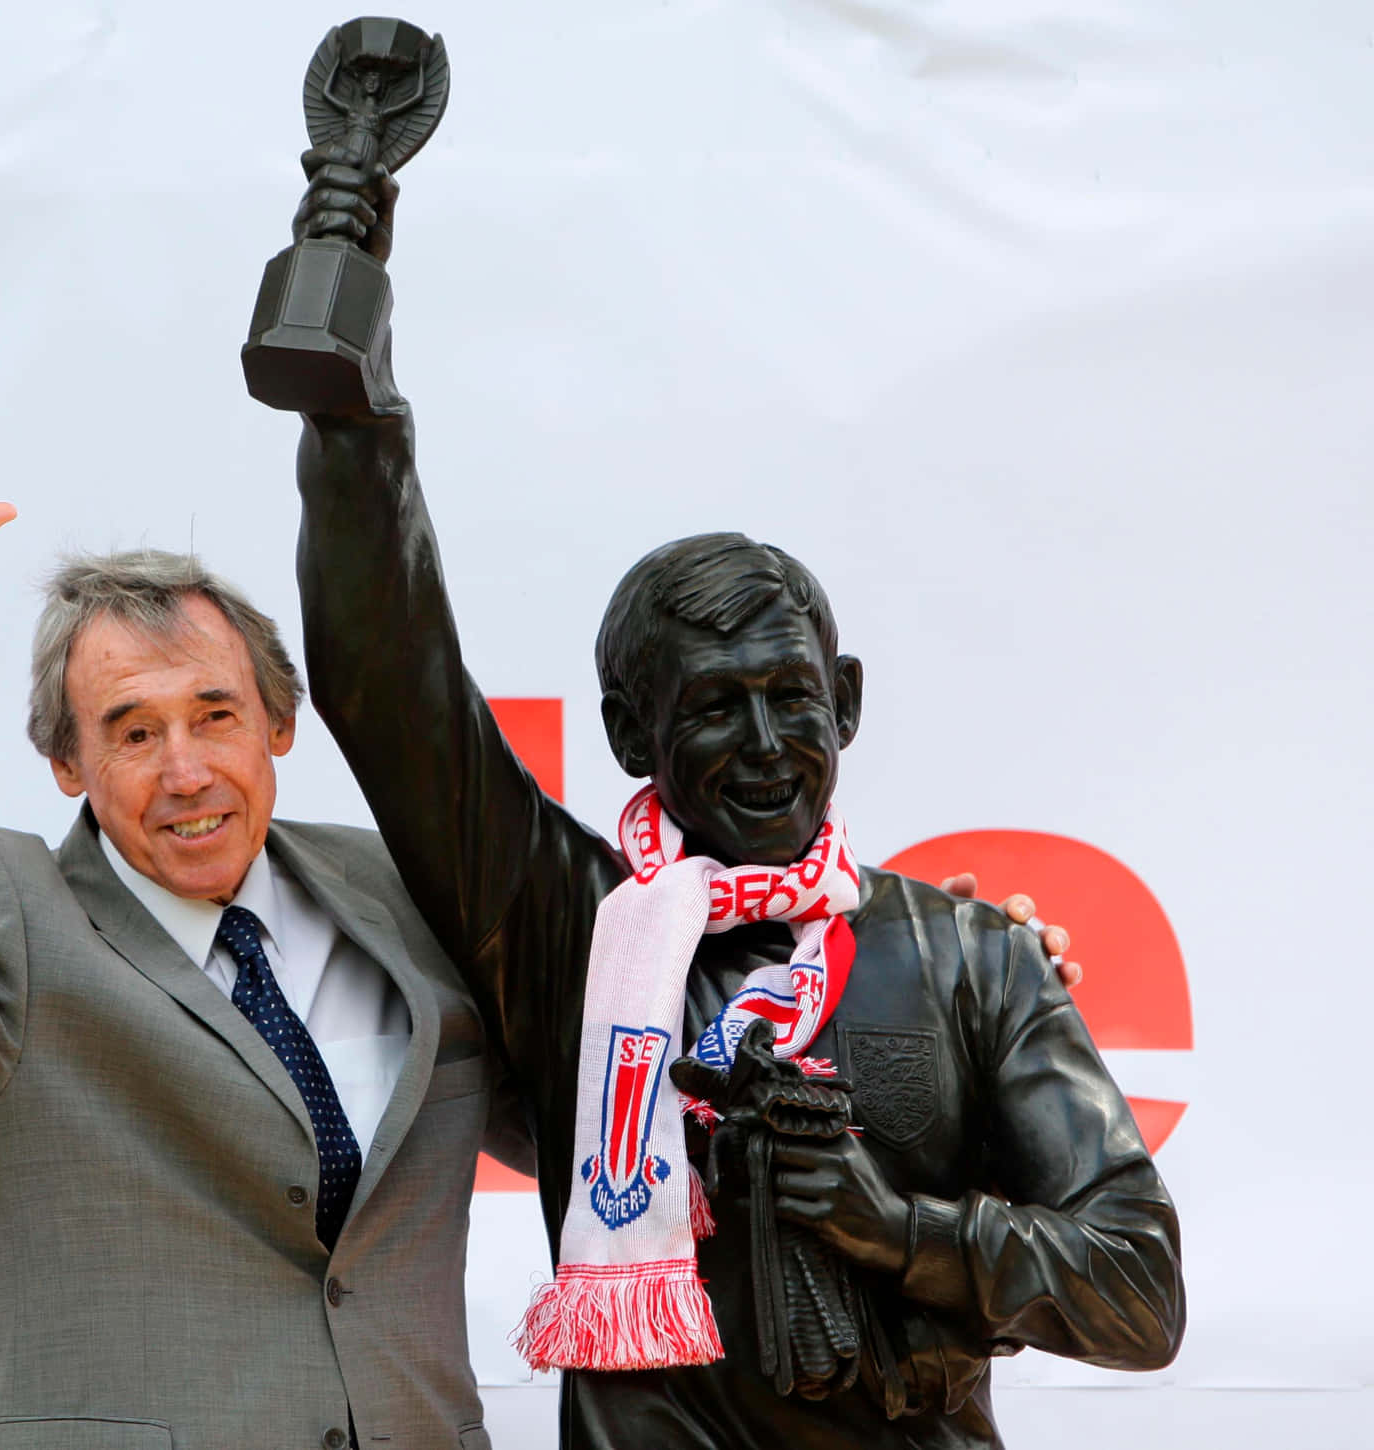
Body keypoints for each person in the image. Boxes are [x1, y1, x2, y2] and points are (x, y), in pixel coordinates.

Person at [283, 154, 1183, 1448]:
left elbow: (1141, 1289)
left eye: (791, 698)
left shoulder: (974, 956)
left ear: (846, 702)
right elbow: (391, 686)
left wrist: (899, 1227)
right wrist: (348, 391)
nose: (765, 746)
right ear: (628, 735)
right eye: (713, 707)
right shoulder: (574, 931)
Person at [0, 361, 521, 1450]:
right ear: (67, 763)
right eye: (135, 732)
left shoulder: (407, 891)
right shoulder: (10, 917)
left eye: (216, 715)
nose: (186, 771)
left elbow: (589, 1111)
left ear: (279, 725)